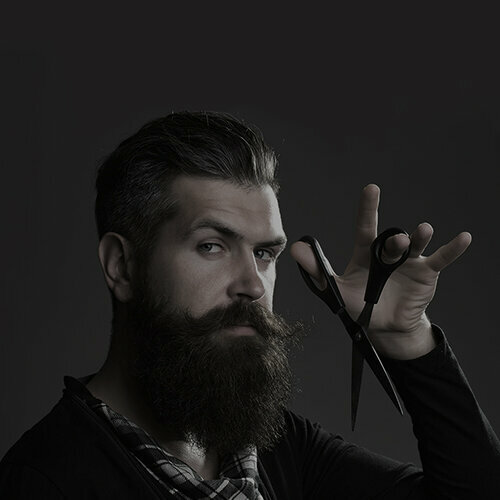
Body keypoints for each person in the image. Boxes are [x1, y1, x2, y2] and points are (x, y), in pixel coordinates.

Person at [0, 111, 498, 499]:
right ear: (122, 265)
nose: (253, 286)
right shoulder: (44, 482)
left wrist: (407, 339)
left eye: (264, 254)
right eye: (211, 246)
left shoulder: (278, 449)